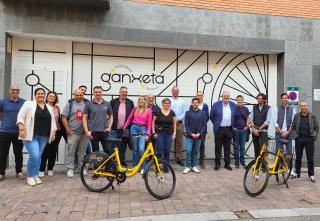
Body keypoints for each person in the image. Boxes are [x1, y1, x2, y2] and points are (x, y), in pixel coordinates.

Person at [17, 88, 57, 186]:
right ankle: (30, 176)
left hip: (44, 136)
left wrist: (53, 132)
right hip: (30, 135)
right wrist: (21, 129)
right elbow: (20, 116)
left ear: (45, 95)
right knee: (34, 155)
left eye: (42, 94)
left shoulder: (49, 107)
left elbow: (52, 121)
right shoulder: (29, 104)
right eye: (38, 93)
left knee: (38, 156)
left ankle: (35, 175)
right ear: (35, 95)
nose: (40, 95)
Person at [0, 85, 25, 181]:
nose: (15, 91)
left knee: (18, 153)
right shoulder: (3, 102)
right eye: (13, 90)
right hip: (4, 132)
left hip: (18, 132)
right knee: (2, 153)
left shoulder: (24, 102)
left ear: (19, 91)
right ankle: (1, 173)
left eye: (17, 90)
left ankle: (19, 172)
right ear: (9, 91)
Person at [62, 89, 89, 178]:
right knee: (71, 151)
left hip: (84, 133)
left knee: (82, 152)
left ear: (83, 95)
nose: (79, 97)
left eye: (80, 95)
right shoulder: (70, 104)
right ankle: (70, 169)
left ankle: (81, 168)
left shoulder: (87, 104)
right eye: (77, 95)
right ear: (74, 95)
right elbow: (64, 118)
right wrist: (67, 129)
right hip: (73, 132)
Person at [291, 101, 319, 183]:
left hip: (309, 140)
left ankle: (311, 175)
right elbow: (293, 127)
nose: (303, 107)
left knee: (310, 158)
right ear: (300, 107)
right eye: (302, 106)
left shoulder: (312, 116)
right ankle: (297, 173)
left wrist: (313, 136)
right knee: (298, 158)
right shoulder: (296, 116)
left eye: (305, 106)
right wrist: (296, 137)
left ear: (307, 106)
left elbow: (316, 128)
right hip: (299, 139)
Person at [124, 96, 152, 174]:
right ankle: (135, 166)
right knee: (135, 149)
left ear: (145, 101)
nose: (141, 101)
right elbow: (129, 118)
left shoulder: (149, 110)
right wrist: (125, 126)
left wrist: (148, 133)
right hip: (134, 128)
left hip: (143, 129)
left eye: (142, 100)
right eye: (139, 100)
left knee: (141, 149)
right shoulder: (135, 109)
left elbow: (149, 122)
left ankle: (143, 167)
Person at [210, 91, 236, 171]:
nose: (226, 97)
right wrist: (216, 124)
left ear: (229, 97)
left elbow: (235, 116)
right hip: (219, 129)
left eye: (227, 96)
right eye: (224, 96)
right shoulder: (216, 104)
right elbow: (211, 116)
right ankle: (217, 163)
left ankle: (227, 164)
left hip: (229, 129)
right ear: (222, 96)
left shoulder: (232, 104)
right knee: (218, 147)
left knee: (227, 147)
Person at [39, 91, 63, 177]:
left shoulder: (57, 108)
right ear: (47, 97)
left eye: (53, 96)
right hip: (46, 132)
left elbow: (58, 120)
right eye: (50, 96)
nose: (52, 97)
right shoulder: (43, 106)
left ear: (55, 98)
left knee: (53, 151)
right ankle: (41, 169)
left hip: (57, 132)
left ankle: (50, 169)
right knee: (45, 151)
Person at [83, 86, 113, 154]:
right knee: (95, 152)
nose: (98, 93)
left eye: (99, 92)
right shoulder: (89, 104)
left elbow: (111, 116)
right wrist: (87, 131)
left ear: (102, 92)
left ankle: (107, 165)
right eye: (96, 92)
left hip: (104, 131)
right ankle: (97, 165)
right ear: (93, 93)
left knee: (107, 150)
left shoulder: (107, 104)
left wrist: (109, 128)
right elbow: (84, 118)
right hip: (93, 132)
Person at [110, 86, 134, 166]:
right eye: (123, 92)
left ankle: (122, 162)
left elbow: (132, 115)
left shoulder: (130, 102)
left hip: (124, 130)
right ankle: (110, 163)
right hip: (114, 129)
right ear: (119, 92)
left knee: (123, 147)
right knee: (111, 147)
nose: (124, 93)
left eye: (126, 92)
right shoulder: (113, 102)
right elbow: (109, 114)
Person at [183, 98, 207, 174]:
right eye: (194, 102)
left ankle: (194, 166)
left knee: (196, 151)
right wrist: (191, 134)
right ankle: (187, 166)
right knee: (188, 151)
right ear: (192, 103)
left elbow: (204, 125)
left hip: (199, 136)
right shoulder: (187, 113)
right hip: (190, 136)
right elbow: (186, 126)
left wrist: (199, 133)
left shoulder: (203, 113)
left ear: (198, 103)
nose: (195, 104)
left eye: (196, 102)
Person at [153, 98, 176, 167]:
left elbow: (174, 123)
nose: (166, 104)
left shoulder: (172, 112)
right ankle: (158, 166)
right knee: (159, 150)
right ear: (162, 104)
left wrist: (174, 133)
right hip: (160, 133)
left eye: (168, 103)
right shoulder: (158, 111)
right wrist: (154, 132)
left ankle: (166, 167)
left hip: (169, 133)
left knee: (167, 150)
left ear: (170, 104)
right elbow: (153, 122)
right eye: (165, 103)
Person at [249, 93, 272, 159]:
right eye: (258, 98)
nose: (259, 100)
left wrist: (259, 129)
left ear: (264, 100)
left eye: (260, 99)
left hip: (263, 131)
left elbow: (268, 121)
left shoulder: (268, 108)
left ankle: (264, 165)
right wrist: (253, 129)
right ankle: (257, 164)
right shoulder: (254, 107)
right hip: (254, 131)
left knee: (263, 149)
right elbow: (251, 118)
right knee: (256, 148)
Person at [169, 86, 186, 167]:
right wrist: (172, 119)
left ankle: (179, 159)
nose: (175, 92)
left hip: (179, 123)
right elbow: (166, 110)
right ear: (171, 91)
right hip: (169, 123)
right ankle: (166, 158)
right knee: (168, 141)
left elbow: (184, 112)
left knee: (179, 142)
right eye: (174, 90)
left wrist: (178, 119)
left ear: (178, 92)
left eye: (177, 90)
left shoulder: (182, 101)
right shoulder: (168, 101)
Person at [233, 95, 250, 168]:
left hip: (243, 130)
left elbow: (248, 118)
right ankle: (237, 162)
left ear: (243, 101)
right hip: (236, 130)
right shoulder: (233, 108)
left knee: (242, 147)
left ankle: (242, 162)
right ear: (236, 100)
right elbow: (231, 118)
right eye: (238, 100)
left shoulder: (245, 109)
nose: (240, 101)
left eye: (241, 100)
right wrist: (233, 127)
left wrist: (247, 126)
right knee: (236, 147)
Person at [196, 91, 209, 169]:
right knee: (194, 145)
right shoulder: (193, 105)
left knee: (202, 145)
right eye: (198, 95)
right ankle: (193, 161)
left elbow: (207, 117)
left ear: (202, 96)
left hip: (203, 129)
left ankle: (201, 161)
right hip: (193, 129)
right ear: (196, 96)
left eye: (201, 95)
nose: (199, 97)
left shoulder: (205, 106)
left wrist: (201, 126)